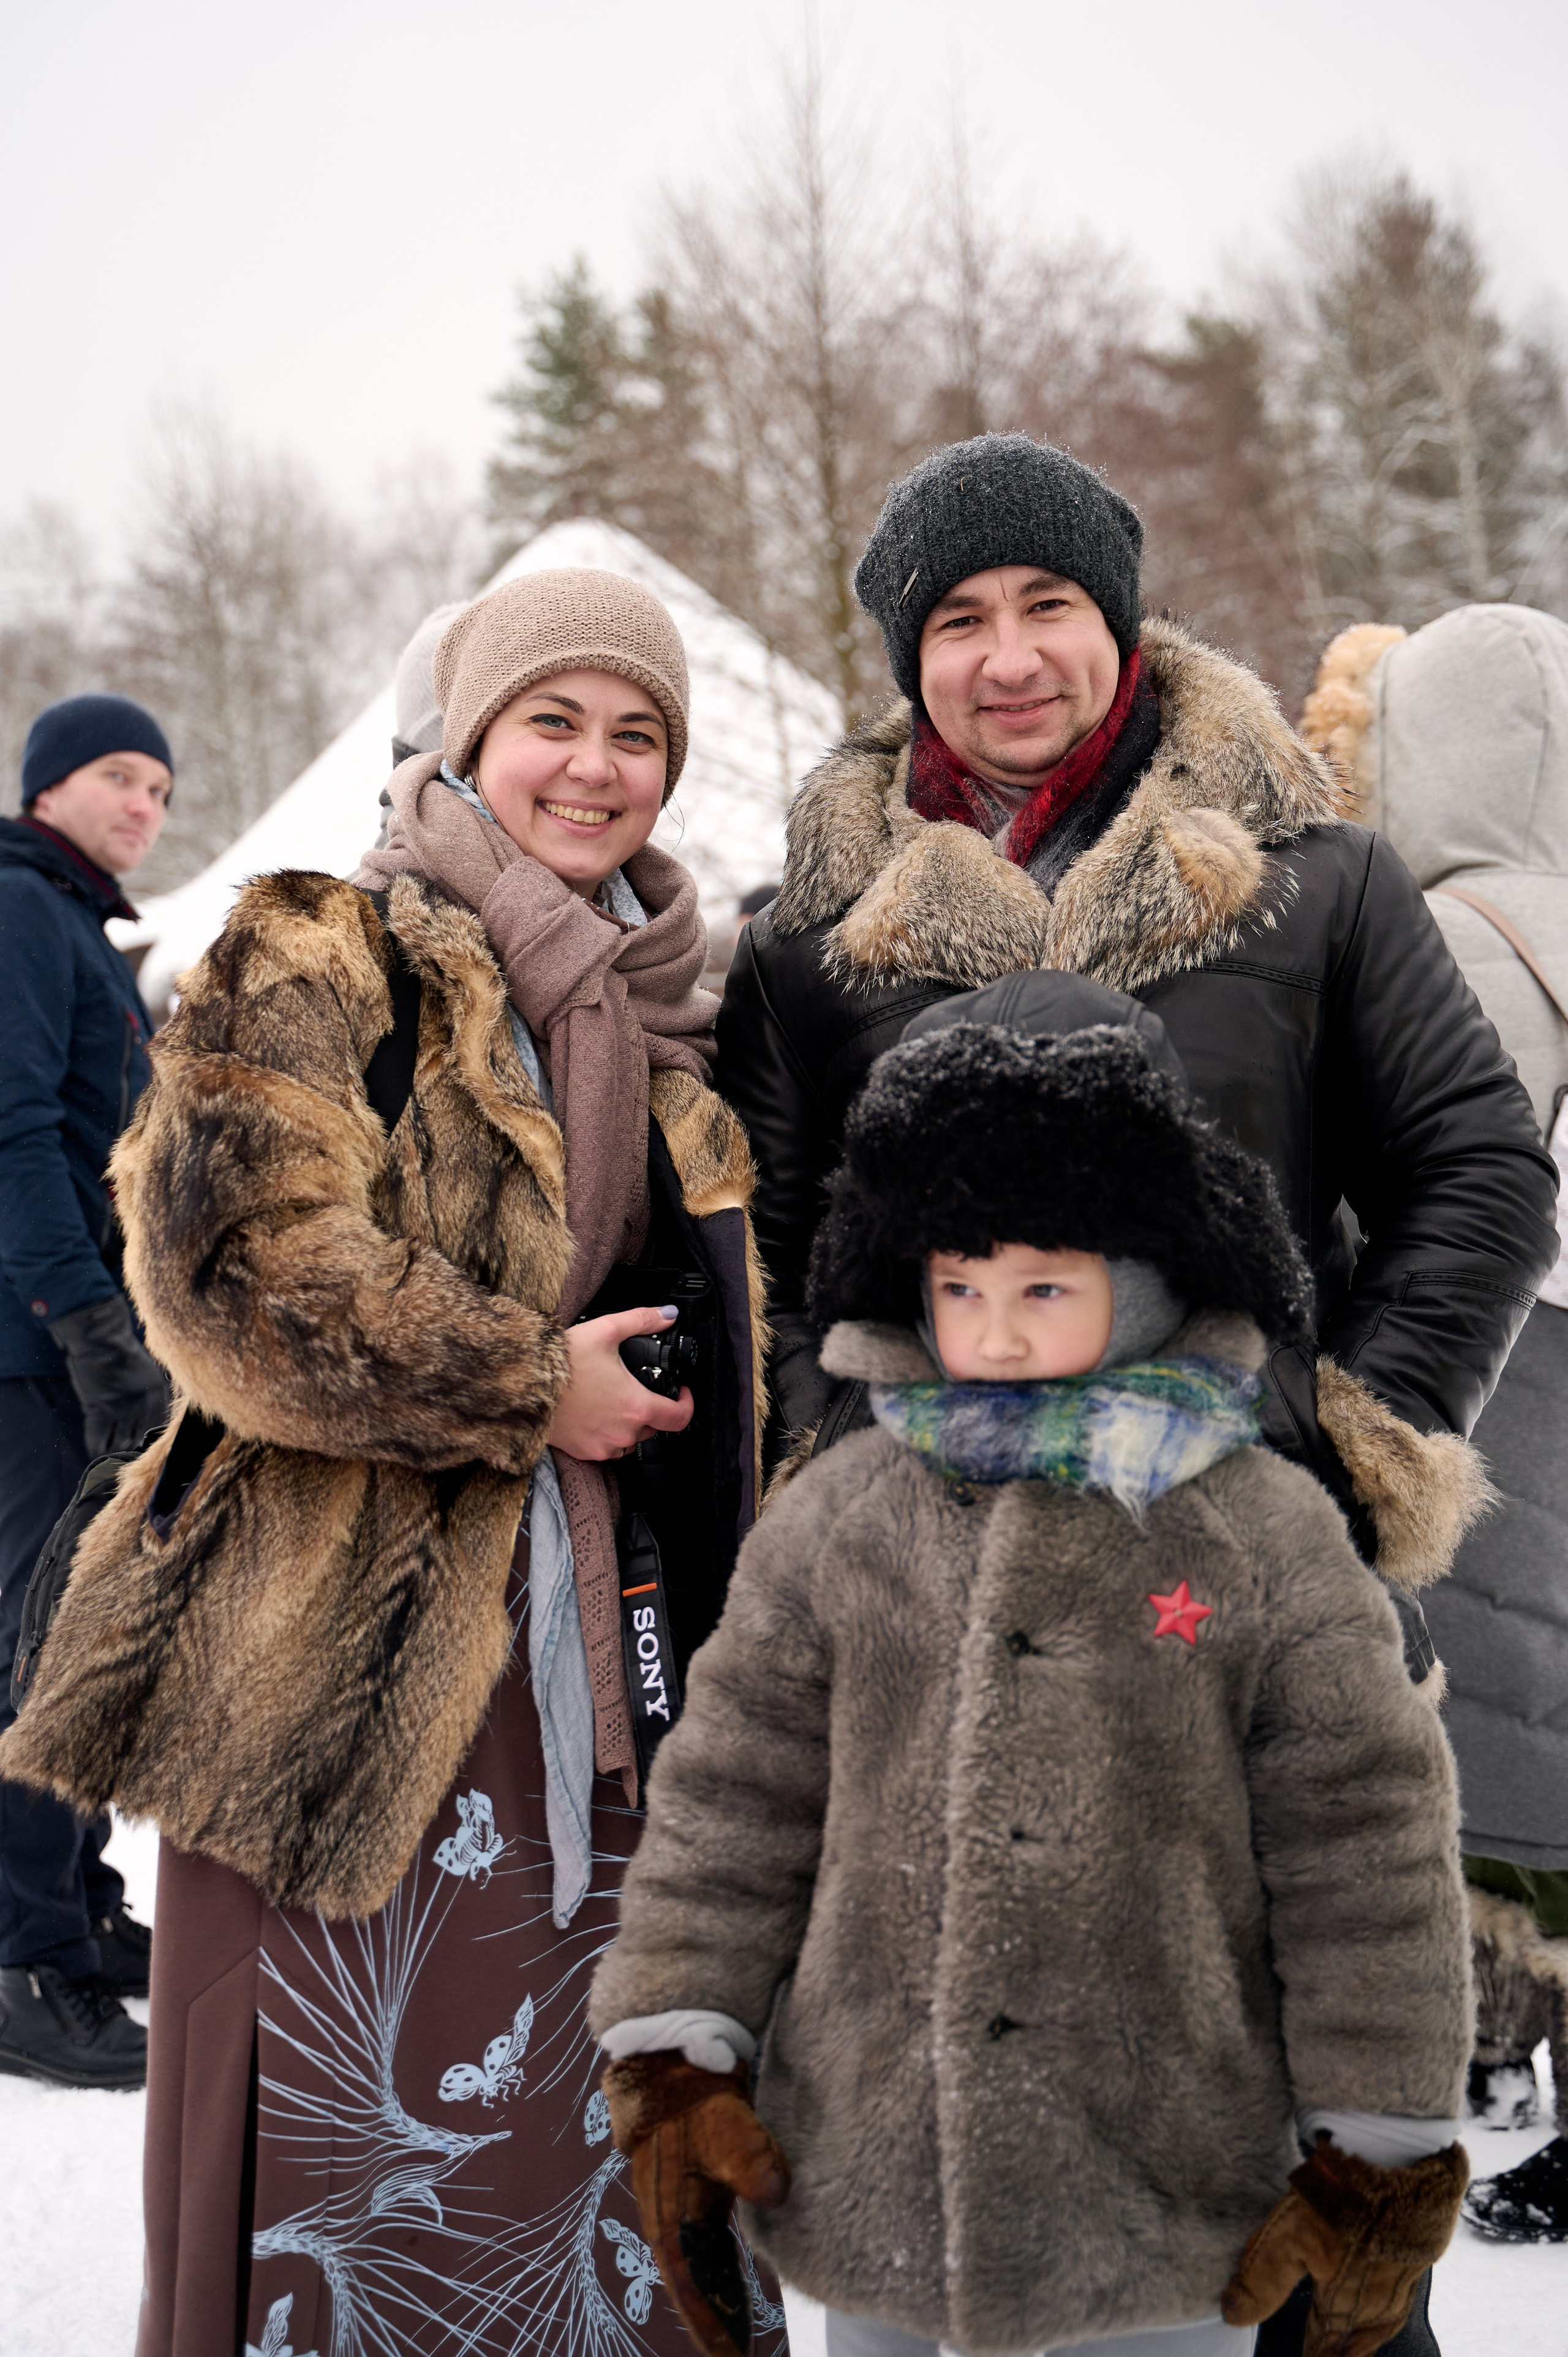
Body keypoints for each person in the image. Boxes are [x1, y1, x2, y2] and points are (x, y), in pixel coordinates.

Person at [0, 570, 781, 2357]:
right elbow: (229, 1261)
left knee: (606, 2150)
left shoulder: (676, 1011)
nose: (593, 767)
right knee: (351, 2167)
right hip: (347, 1672)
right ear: (467, 739)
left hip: (611, 1659)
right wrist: (526, 1385)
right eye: (551, 722)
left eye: (637, 734)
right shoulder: (319, 947)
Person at [591, 1018, 1472, 2357]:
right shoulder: (841, 1521)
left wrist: (1377, 2148)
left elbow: (1362, 1847)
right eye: (961, 1287)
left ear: (1149, 1276)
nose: (994, 1335)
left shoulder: (1260, 1532)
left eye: (1044, 1289)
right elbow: (734, 1801)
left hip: (1163, 2202)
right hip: (879, 2186)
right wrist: (678, 2054)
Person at [716, 434, 1558, 1669]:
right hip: (931, 1619)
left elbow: (1479, 1172)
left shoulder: (1317, 883)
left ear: (1113, 617)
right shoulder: (809, 945)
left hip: (1255, 1593)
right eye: (959, 620)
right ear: (912, 659)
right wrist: (842, 1457)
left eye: (1046, 604)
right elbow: (766, 1262)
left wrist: (1332, 1440)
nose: (1010, 658)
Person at [1302, 605, 1568, 2243]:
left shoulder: (1445, 939)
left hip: (1497, 1384)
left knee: (1485, 1741)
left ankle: (1440, 2076)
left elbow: (1391, 1197)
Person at [0, 692, 173, 2091]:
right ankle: (24, 1965)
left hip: (70, 1340)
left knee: (72, 1634)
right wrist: (88, 1326)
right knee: (27, 1649)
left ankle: (78, 1905)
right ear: (48, 785)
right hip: (29, 1351)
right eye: (119, 776)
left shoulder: (73, 922)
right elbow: (12, 1138)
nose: (143, 806)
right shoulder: (16, 907)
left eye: (160, 790)